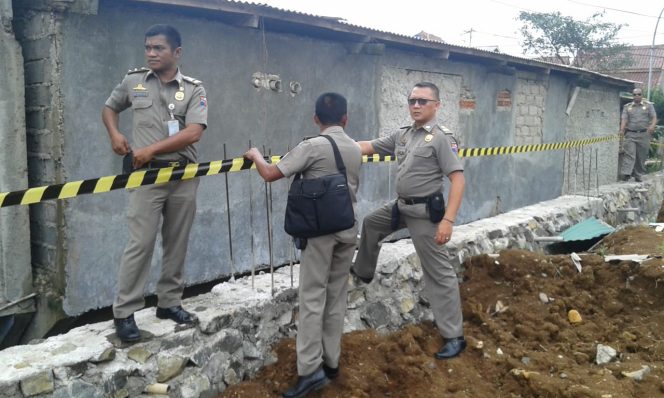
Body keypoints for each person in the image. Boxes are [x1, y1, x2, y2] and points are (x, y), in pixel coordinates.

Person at [244, 93, 361, 398]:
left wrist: (256, 155)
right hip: (348, 229)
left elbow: (271, 173)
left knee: (311, 299)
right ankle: (331, 362)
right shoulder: (354, 147)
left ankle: (310, 372)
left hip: (320, 234)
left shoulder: (312, 146)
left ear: (315, 119)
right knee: (336, 296)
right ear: (346, 119)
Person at [102, 24, 208, 342]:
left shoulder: (193, 89)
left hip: (182, 175)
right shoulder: (134, 81)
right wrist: (115, 134)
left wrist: (150, 148)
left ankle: (169, 303)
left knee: (177, 240)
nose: (150, 53)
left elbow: (193, 132)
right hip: (146, 176)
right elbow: (110, 107)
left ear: (176, 52)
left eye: (158, 48)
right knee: (141, 243)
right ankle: (124, 312)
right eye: (148, 47)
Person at [353, 82, 467, 360]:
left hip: (426, 214)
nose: (416, 105)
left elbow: (458, 179)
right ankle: (363, 271)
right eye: (412, 100)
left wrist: (448, 221)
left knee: (439, 273)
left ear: (436, 105)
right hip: (401, 207)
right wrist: (332, 145)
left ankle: (454, 336)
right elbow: (367, 146)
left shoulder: (442, 138)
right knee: (371, 223)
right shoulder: (403, 135)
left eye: (423, 101)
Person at [619, 88, 657, 182]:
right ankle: (626, 174)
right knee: (629, 154)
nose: (637, 96)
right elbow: (624, 119)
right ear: (632, 96)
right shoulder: (627, 107)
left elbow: (654, 117)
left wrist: (652, 126)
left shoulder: (648, 106)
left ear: (642, 95)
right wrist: (622, 129)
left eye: (639, 94)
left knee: (641, 156)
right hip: (631, 134)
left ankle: (638, 175)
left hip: (644, 134)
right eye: (635, 94)